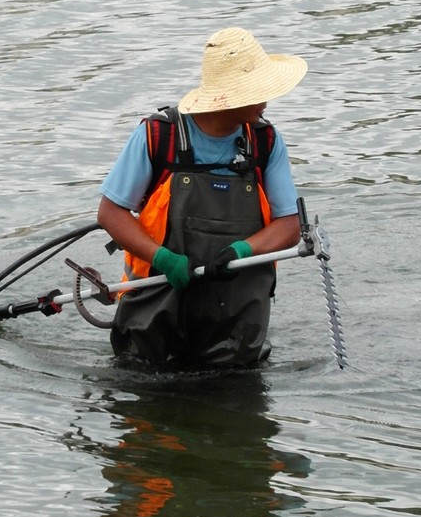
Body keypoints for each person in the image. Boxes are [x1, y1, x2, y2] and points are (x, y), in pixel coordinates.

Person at [97, 27, 307, 369]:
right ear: (231, 96)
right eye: (259, 92)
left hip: (237, 322)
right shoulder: (157, 136)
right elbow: (110, 213)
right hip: (154, 307)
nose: (267, 101)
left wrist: (243, 250)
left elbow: (290, 225)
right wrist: (162, 258)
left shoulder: (266, 142)